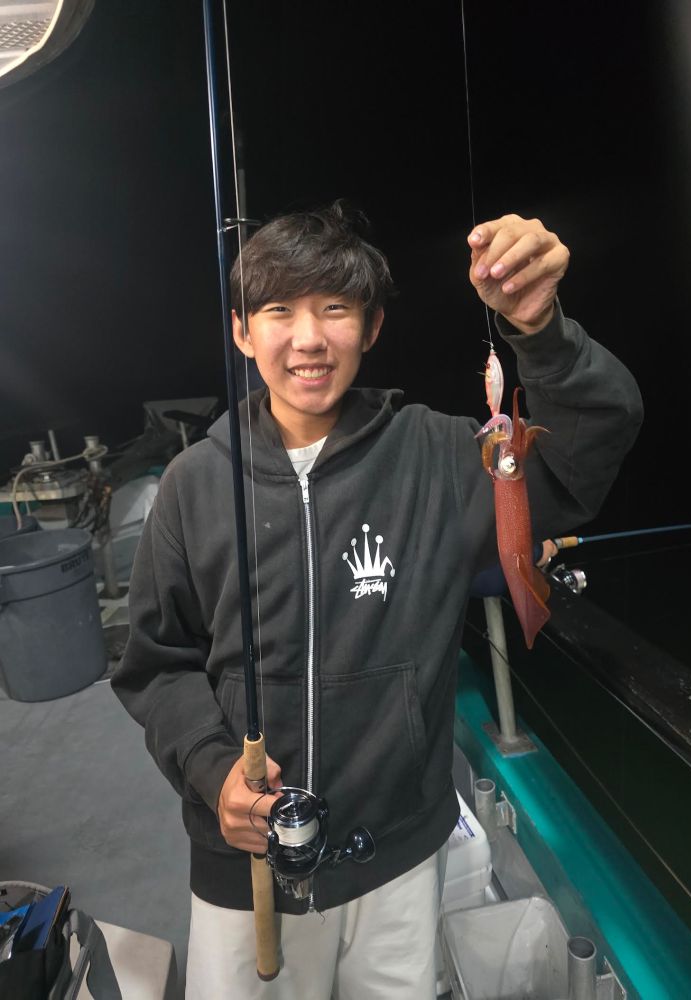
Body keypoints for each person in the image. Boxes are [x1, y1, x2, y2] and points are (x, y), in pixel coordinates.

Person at [112, 203, 643, 999]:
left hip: (398, 857)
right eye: (278, 311)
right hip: (245, 865)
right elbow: (157, 664)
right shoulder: (193, 486)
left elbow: (586, 454)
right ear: (242, 332)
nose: (308, 338)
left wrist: (543, 332)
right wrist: (212, 770)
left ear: (372, 326)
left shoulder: (439, 456)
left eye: (335, 308)